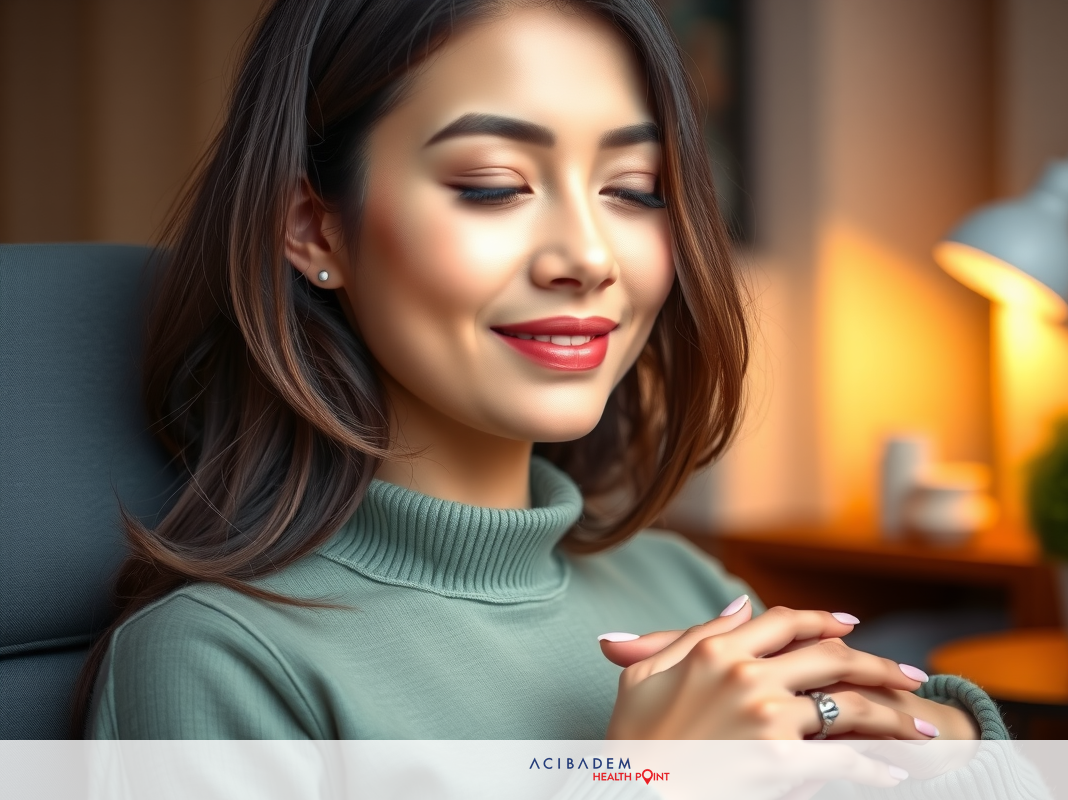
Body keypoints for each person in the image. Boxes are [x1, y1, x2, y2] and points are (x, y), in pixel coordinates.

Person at [77, 0, 1019, 774]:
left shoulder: (689, 588)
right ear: (315, 229)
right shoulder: (213, 662)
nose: (588, 257)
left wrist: (957, 747)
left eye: (635, 188)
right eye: (494, 185)